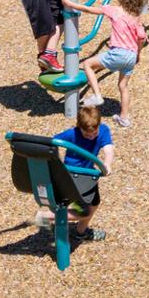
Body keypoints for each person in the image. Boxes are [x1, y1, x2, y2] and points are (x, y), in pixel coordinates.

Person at [60, 0, 149, 129]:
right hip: (131, 56)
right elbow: (141, 38)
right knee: (123, 85)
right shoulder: (136, 17)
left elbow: (89, 10)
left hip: (118, 53)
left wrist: (70, 4)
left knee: (88, 64)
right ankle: (124, 118)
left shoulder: (114, 10)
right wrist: (138, 54)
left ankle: (97, 95)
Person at [33, 104, 113, 242]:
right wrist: (54, 162)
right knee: (84, 211)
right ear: (78, 127)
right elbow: (52, 143)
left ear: (99, 124)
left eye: (94, 133)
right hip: (72, 175)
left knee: (94, 204)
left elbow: (108, 148)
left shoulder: (104, 130)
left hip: (89, 176)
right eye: (87, 134)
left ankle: (81, 231)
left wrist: (107, 163)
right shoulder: (72, 134)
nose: (91, 137)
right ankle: (45, 217)